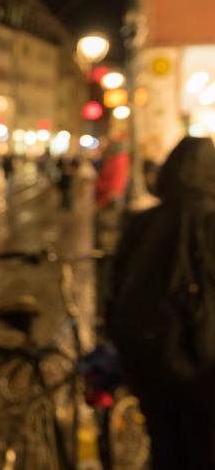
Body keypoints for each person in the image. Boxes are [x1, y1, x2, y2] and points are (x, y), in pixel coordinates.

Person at [108, 137, 215, 470]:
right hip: (203, 364)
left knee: (164, 445)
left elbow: (115, 287)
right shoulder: (210, 221)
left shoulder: (142, 222)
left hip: (149, 359)